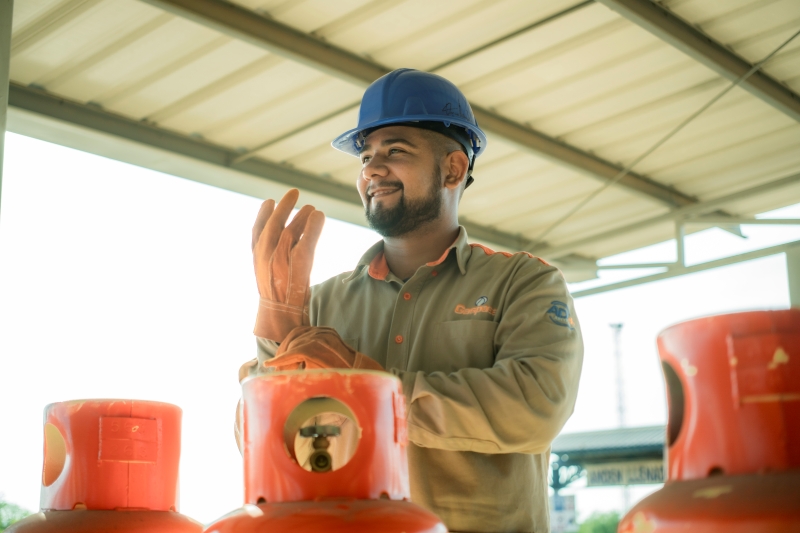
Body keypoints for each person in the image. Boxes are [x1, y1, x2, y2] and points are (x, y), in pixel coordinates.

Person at [238, 68, 583, 532]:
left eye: (395, 151)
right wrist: (277, 328)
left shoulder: (523, 283)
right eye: (365, 156)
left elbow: (534, 408)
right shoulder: (316, 306)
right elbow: (257, 441)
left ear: (453, 168)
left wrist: (364, 382)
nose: (371, 170)